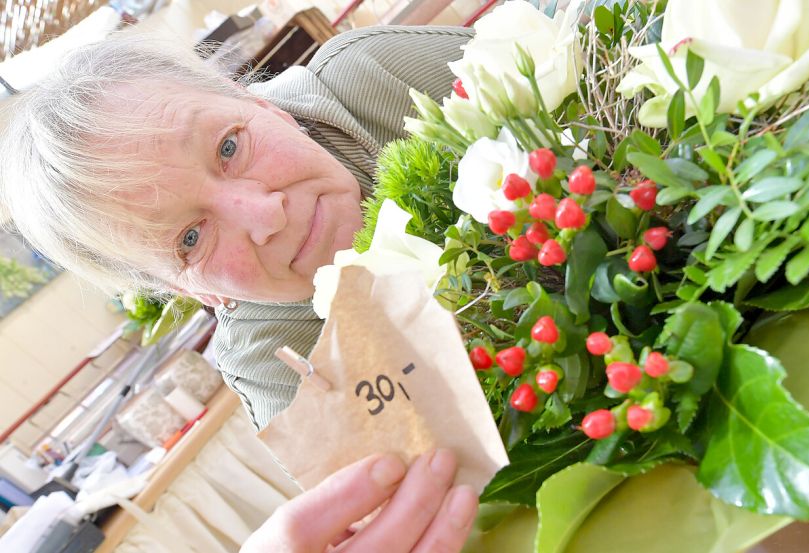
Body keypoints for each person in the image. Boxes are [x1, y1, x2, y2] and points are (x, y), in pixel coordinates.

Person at [0, 25, 478, 550]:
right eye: (190, 238)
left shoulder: (382, 74)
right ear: (188, 291)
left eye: (230, 146)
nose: (265, 213)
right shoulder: (277, 367)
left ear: (265, 106)